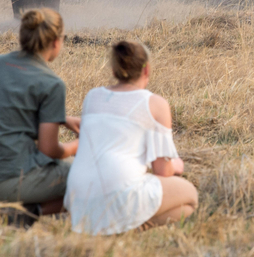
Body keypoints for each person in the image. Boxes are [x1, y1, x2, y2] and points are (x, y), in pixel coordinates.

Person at [65, 41, 198, 235]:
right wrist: (177, 165)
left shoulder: (92, 96)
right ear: (147, 70)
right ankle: (128, 229)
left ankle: (110, 227)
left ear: (113, 69)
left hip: (77, 197)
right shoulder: (155, 103)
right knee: (190, 196)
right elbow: (163, 171)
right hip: (118, 191)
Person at [0, 8, 80, 219]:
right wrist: (77, 146)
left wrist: (61, 119)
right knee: (91, 173)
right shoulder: (52, 84)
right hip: (12, 183)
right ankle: (27, 213)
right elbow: (49, 150)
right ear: (55, 42)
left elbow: (10, 110)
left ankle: (10, 211)